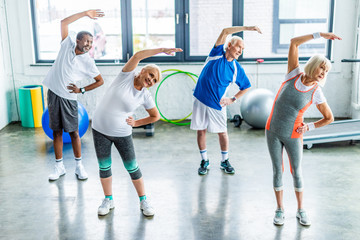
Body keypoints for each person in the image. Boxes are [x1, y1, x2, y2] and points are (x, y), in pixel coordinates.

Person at [91, 47, 183, 216]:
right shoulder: (125, 76)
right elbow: (138, 55)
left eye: (154, 80)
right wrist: (163, 50)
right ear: (142, 72)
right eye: (150, 75)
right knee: (104, 166)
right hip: (99, 129)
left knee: (132, 167)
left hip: (122, 133)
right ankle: (108, 199)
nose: (151, 80)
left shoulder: (145, 96)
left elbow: (155, 116)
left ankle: (143, 201)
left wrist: (136, 123)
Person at [265, 32, 342, 226]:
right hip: (272, 131)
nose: (323, 73)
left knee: (296, 172)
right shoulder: (293, 73)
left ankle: (300, 210)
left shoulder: (316, 91)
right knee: (277, 171)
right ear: (314, 65)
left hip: (293, 135)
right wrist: (320, 35)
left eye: (326, 71)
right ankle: (280, 210)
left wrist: (308, 127)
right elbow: (293, 42)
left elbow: (329, 118)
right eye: (321, 68)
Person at [190, 26, 262, 175]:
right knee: (201, 131)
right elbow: (225, 31)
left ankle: (225, 160)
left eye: (243, 49)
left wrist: (233, 99)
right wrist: (249, 28)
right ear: (229, 45)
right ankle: (204, 160)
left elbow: (246, 86)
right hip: (200, 99)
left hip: (217, 104)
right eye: (239, 47)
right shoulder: (216, 54)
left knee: (222, 133)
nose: (240, 51)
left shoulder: (236, 68)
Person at [43, 10, 105, 181]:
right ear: (77, 40)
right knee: (56, 132)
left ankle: (79, 166)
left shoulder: (88, 61)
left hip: (70, 99)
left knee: (74, 133)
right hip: (54, 94)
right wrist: (85, 13)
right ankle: (59, 166)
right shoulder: (66, 44)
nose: (89, 44)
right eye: (86, 40)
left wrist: (81, 90)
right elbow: (63, 22)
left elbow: (100, 81)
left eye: (91, 42)